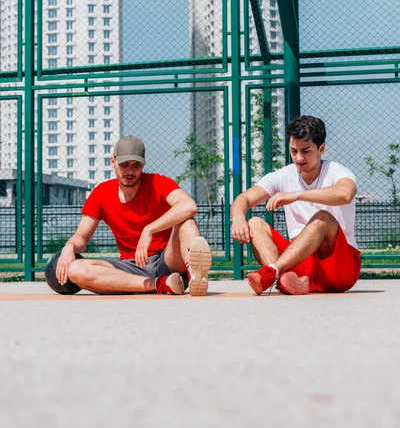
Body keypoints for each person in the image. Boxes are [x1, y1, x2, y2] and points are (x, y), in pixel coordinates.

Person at [52, 135, 212, 296]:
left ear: (143, 164)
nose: (130, 171)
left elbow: (189, 205)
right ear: (112, 162)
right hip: (131, 268)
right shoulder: (101, 193)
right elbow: (81, 236)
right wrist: (69, 247)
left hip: (168, 261)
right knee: (76, 269)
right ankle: (160, 285)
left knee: (187, 222)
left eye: (136, 165)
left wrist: (149, 230)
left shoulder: (158, 182)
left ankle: (195, 276)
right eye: (124, 165)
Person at [230, 116, 361, 295]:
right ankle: (285, 279)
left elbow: (346, 194)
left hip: (339, 267)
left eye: (305, 151)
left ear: (321, 149)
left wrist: (297, 195)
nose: (298, 157)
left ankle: (272, 272)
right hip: (301, 262)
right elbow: (243, 199)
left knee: (322, 218)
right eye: (294, 151)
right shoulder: (284, 175)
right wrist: (238, 218)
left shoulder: (336, 171)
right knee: (254, 223)